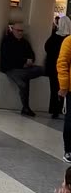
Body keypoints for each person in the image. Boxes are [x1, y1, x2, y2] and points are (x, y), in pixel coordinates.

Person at [1, 23, 44, 117]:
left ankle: (26, 107)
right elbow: (9, 58)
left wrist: (30, 61)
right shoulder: (7, 41)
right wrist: (24, 61)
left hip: (24, 69)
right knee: (23, 84)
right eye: (18, 30)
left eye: (21, 31)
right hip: (11, 69)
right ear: (13, 30)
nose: (20, 33)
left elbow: (32, 54)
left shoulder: (24, 42)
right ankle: (26, 107)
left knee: (42, 69)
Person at [46, 16, 71, 119]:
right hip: (66, 71)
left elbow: (47, 48)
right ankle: (61, 109)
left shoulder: (54, 38)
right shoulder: (67, 39)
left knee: (54, 89)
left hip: (53, 68)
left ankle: (55, 109)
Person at [57, 35, 71, 163]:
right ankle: (68, 150)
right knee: (70, 120)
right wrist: (64, 85)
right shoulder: (69, 41)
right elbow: (62, 64)